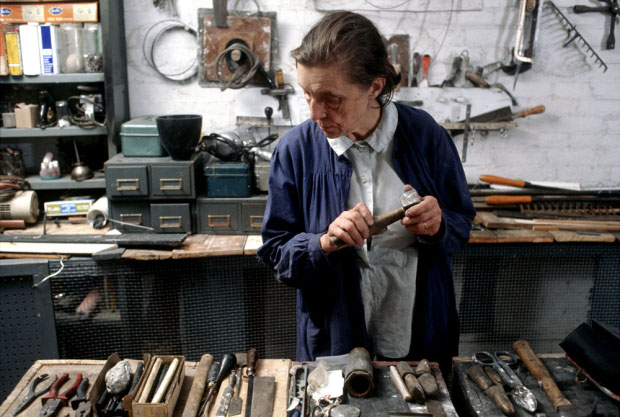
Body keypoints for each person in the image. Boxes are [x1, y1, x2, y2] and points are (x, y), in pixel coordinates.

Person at [257, 11, 475, 372]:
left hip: (417, 326)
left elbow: (461, 223)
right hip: (335, 330)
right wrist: (323, 243)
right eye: (307, 94)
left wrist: (439, 226)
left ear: (374, 87)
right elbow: (277, 253)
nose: (315, 113)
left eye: (331, 98)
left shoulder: (426, 137)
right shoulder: (296, 150)